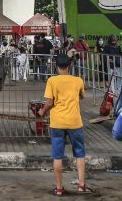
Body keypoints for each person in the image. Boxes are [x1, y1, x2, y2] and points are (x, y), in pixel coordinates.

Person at [37, 53, 92, 195]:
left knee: (57, 156)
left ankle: (59, 188)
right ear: (69, 66)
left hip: (57, 123)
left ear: (56, 66)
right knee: (79, 154)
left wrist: (42, 111)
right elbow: (81, 96)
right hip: (75, 122)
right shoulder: (78, 80)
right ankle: (81, 185)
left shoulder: (52, 81)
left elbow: (49, 102)